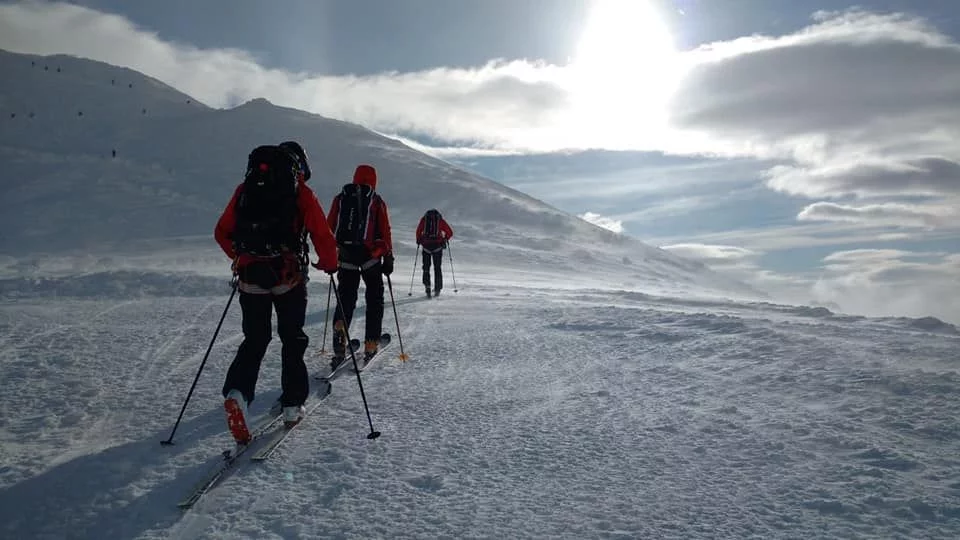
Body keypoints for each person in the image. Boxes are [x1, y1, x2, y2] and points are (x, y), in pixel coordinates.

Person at [214, 141, 338, 443]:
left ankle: (238, 394)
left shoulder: (245, 189)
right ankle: (293, 404)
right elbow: (322, 233)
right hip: (288, 277)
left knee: (255, 338)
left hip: (250, 276)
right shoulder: (301, 192)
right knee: (292, 337)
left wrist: (241, 258)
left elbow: (222, 232)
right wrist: (329, 263)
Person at [327, 164, 394, 368]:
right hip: (370, 257)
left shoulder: (341, 198)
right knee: (374, 298)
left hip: (346, 255)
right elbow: (385, 229)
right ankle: (371, 343)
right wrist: (388, 256)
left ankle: (340, 332)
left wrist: (331, 254)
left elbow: (329, 226)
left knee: (346, 296)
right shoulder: (376, 200)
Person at [415, 208, 453, 297]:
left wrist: (419, 239)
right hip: (437, 247)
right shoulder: (440, 220)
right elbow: (450, 232)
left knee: (426, 268)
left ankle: (427, 286)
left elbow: (418, 231)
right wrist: (444, 239)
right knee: (437, 268)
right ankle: (437, 288)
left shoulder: (424, 219)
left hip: (426, 247)